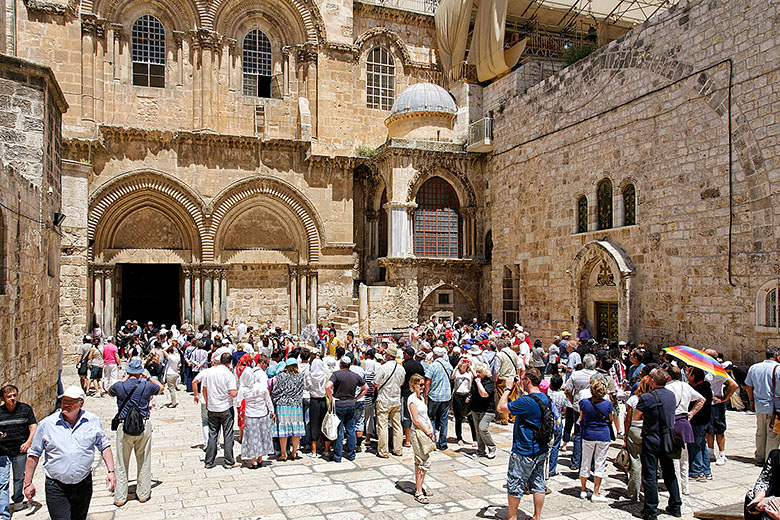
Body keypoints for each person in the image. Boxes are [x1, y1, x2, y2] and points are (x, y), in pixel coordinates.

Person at [23, 386, 116, 520]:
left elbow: (104, 446)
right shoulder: (47, 424)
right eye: (64, 400)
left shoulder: (92, 420)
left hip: (83, 484)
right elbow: (34, 454)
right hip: (56, 486)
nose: (66, 404)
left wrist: (111, 472)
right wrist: (28, 483)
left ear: (81, 403)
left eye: (71, 402)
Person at [108, 360, 163, 506]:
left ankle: (120, 497)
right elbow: (161, 388)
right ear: (140, 371)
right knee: (144, 460)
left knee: (121, 462)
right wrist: (147, 377)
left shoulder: (120, 386)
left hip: (124, 426)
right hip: (143, 425)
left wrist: (123, 379)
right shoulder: (146, 384)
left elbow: (109, 390)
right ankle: (143, 494)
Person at [497, 368, 550, 520]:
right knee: (538, 483)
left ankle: (512, 516)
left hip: (524, 449)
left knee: (515, 483)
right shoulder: (544, 397)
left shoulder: (526, 402)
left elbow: (501, 408)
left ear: (528, 381)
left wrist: (507, 389)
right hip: (540, 448)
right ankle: (536, 516)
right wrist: (520, 390)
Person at [634, 368, 682, 520]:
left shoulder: (647, 398)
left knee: (650, 474)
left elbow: (636, 417)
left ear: (652, 381)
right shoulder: (671, 395)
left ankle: (651, 510)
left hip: (652, 438)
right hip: (668, 439)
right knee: (669, 472)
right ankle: (676, 506)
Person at [0, 385, 37, 517]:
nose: (13, 398)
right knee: (2, 482)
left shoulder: (25, 409)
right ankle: (3, 514)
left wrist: (28, 442)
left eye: (14, 395)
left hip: (20, 450)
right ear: (3, 398)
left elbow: (33, 426)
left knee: (19, 477)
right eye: (9, 396)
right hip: (2, 451)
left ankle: (18, 500)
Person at [325, 356, 368, 462]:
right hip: (351, 404)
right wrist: (356, 398)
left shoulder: (336, 375)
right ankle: (351, 453)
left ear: (340, 364)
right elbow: (366, 387)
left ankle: (338, 455)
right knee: (350, 429)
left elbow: (327, 386)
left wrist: (331, 398)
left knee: (339, 430)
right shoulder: (355, 376)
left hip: (339, 404)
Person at [578, 376, 613, 502]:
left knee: (585, 461)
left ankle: (583, 489)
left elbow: (581, 418)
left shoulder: (584, 403)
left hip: (588, 434)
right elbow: (610, 419)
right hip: (603, 435)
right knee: (599, 463)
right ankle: (596, 492)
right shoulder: (608, 405)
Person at [202, 352, 239, 469]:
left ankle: (209, 461)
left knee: (213, 434)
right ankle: (229, 461)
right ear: (230, 362)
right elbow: (233, 393)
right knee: (228, 434)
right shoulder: (229, 375)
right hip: (225, 408)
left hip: (212, 407)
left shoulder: (210, 372)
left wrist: (208, 402)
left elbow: (204, 389)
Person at [744, 347, 780, 464]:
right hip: (774, 406)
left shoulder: (754, 368)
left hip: (759, 405)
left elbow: (749, 386)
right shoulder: (778, 369)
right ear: (776, 356)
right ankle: (769, 459)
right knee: (772, 434)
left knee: (760, 431)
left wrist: (751, 400)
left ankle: (759, 456)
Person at [239, 359, 275, 468]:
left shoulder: (243, 389)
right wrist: (272, 411)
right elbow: (268, 400)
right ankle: (260, 459)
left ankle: (253, 460)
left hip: (251, 415)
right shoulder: (261, 386)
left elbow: (237, 402)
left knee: (253, 438)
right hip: (263, 414)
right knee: (262, 436)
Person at [624, 375, 654, 502]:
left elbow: (628, 419)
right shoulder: (654, 399)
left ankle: (633, 493)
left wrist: (625, 436)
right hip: (649, 430)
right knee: (648, 462)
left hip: (635, 430)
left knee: (635, 461)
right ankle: (648, 491)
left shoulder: (633, 400)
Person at [373, 344, 406, 458]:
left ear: (387, 355)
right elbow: (402, 383)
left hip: (384, 400)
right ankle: (398, 449)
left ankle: (383, 450)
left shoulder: (383, 368)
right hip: (396, 399)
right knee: (397, 425)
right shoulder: (401, 368)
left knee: (382, 425)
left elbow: (376, 383)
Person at [407, 373, 434, 504]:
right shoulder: (412, 400)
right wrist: (427, 431)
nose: (423, 387)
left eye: (423, 385)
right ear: (414, 385)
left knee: (424, 460)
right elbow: (416, 420)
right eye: (421, 385)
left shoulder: (421, 398)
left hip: (424, 431)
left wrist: (430, 429)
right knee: (422, 461)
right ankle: (418, 491)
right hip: (417, 433)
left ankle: (420, 485)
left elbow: (425, 416)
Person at [272, 358, 305, 461]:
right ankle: (294, 452)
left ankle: (283, 453)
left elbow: (276, 390)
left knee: (283, 430)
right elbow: (301, 391)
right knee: (296, 430)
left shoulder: (281, 376)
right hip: (296, 405)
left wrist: (276, 398)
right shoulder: (300, 377)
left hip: (283, 405)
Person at [688, 367, 713, 482]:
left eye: (689, 373)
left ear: (693, 376)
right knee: (702, 444)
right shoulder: (706, 387)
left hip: (698, 421)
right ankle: (707, 470)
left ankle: (697, 471)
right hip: (705, 420)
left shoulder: (699, 389)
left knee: (696, 445)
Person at [425, 347, 453, 449]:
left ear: (435, 355)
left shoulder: (432, 366)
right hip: (446, 396)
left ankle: (433, 441)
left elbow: (428, 381)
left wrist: (426, 394)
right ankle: (443, 443)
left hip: (434, 396)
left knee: (431, 418)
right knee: (444, 420)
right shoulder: (448, 365)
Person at [469, 362, 496, 458]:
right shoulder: (475, 380)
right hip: (476, 407)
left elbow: (485, 394)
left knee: (483, 428)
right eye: (477, 372)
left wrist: (479, 383)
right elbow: (472, 391)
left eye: (480, 372)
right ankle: (481, 450)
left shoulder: (489, 381)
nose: (477, 374)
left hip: (487, 409)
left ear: (485, 372)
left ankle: (492, 447)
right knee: (477, 430)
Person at [745, 449, 780, 520]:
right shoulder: (775, 455)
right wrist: (757, 500)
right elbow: (764, 480)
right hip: (776, 494)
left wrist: (773, 500)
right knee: (750, 496)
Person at [401, 346, 425, 448]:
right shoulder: (419, 365)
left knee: (407, 416)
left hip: (406, 393)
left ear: (406, 354)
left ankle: (407, 440)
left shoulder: (404, 366)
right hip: (417, 394)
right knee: (417, 416)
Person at [305, 356, 329, 457]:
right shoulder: (325, 375)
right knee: (325, 423)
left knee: (314, 424)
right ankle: (327, 449)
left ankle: (314, 451)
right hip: (323, 400)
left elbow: (307, 386)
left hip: (314, 400)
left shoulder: (310, 375)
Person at [451, 357, 477, 447]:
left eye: (464, 363)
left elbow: (475, 376)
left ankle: (475, 439)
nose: (463, 364)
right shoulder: (457, 372)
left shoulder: (469, 373)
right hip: (458, 395)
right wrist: (457, 366)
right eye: (462, 363)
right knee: (458, 418)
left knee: (471, 418)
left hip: (467, 395)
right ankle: (459, 437)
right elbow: (452, 376)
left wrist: (470, 365)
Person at [547, 374, 567, 477]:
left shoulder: (546, 393)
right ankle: (551, 469)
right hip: (557, 421)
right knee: (555, 445)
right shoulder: (562, 395)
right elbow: (564, 409)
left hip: (546, 421)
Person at [163, 343, 181, 408]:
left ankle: (173, 402)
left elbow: (163, 350)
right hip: (176, 373)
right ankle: (173, 401)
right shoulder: (177, 356)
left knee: (171, 389)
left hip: (170, 373)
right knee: (173, 388)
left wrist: (169, 345)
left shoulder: (170, 357)